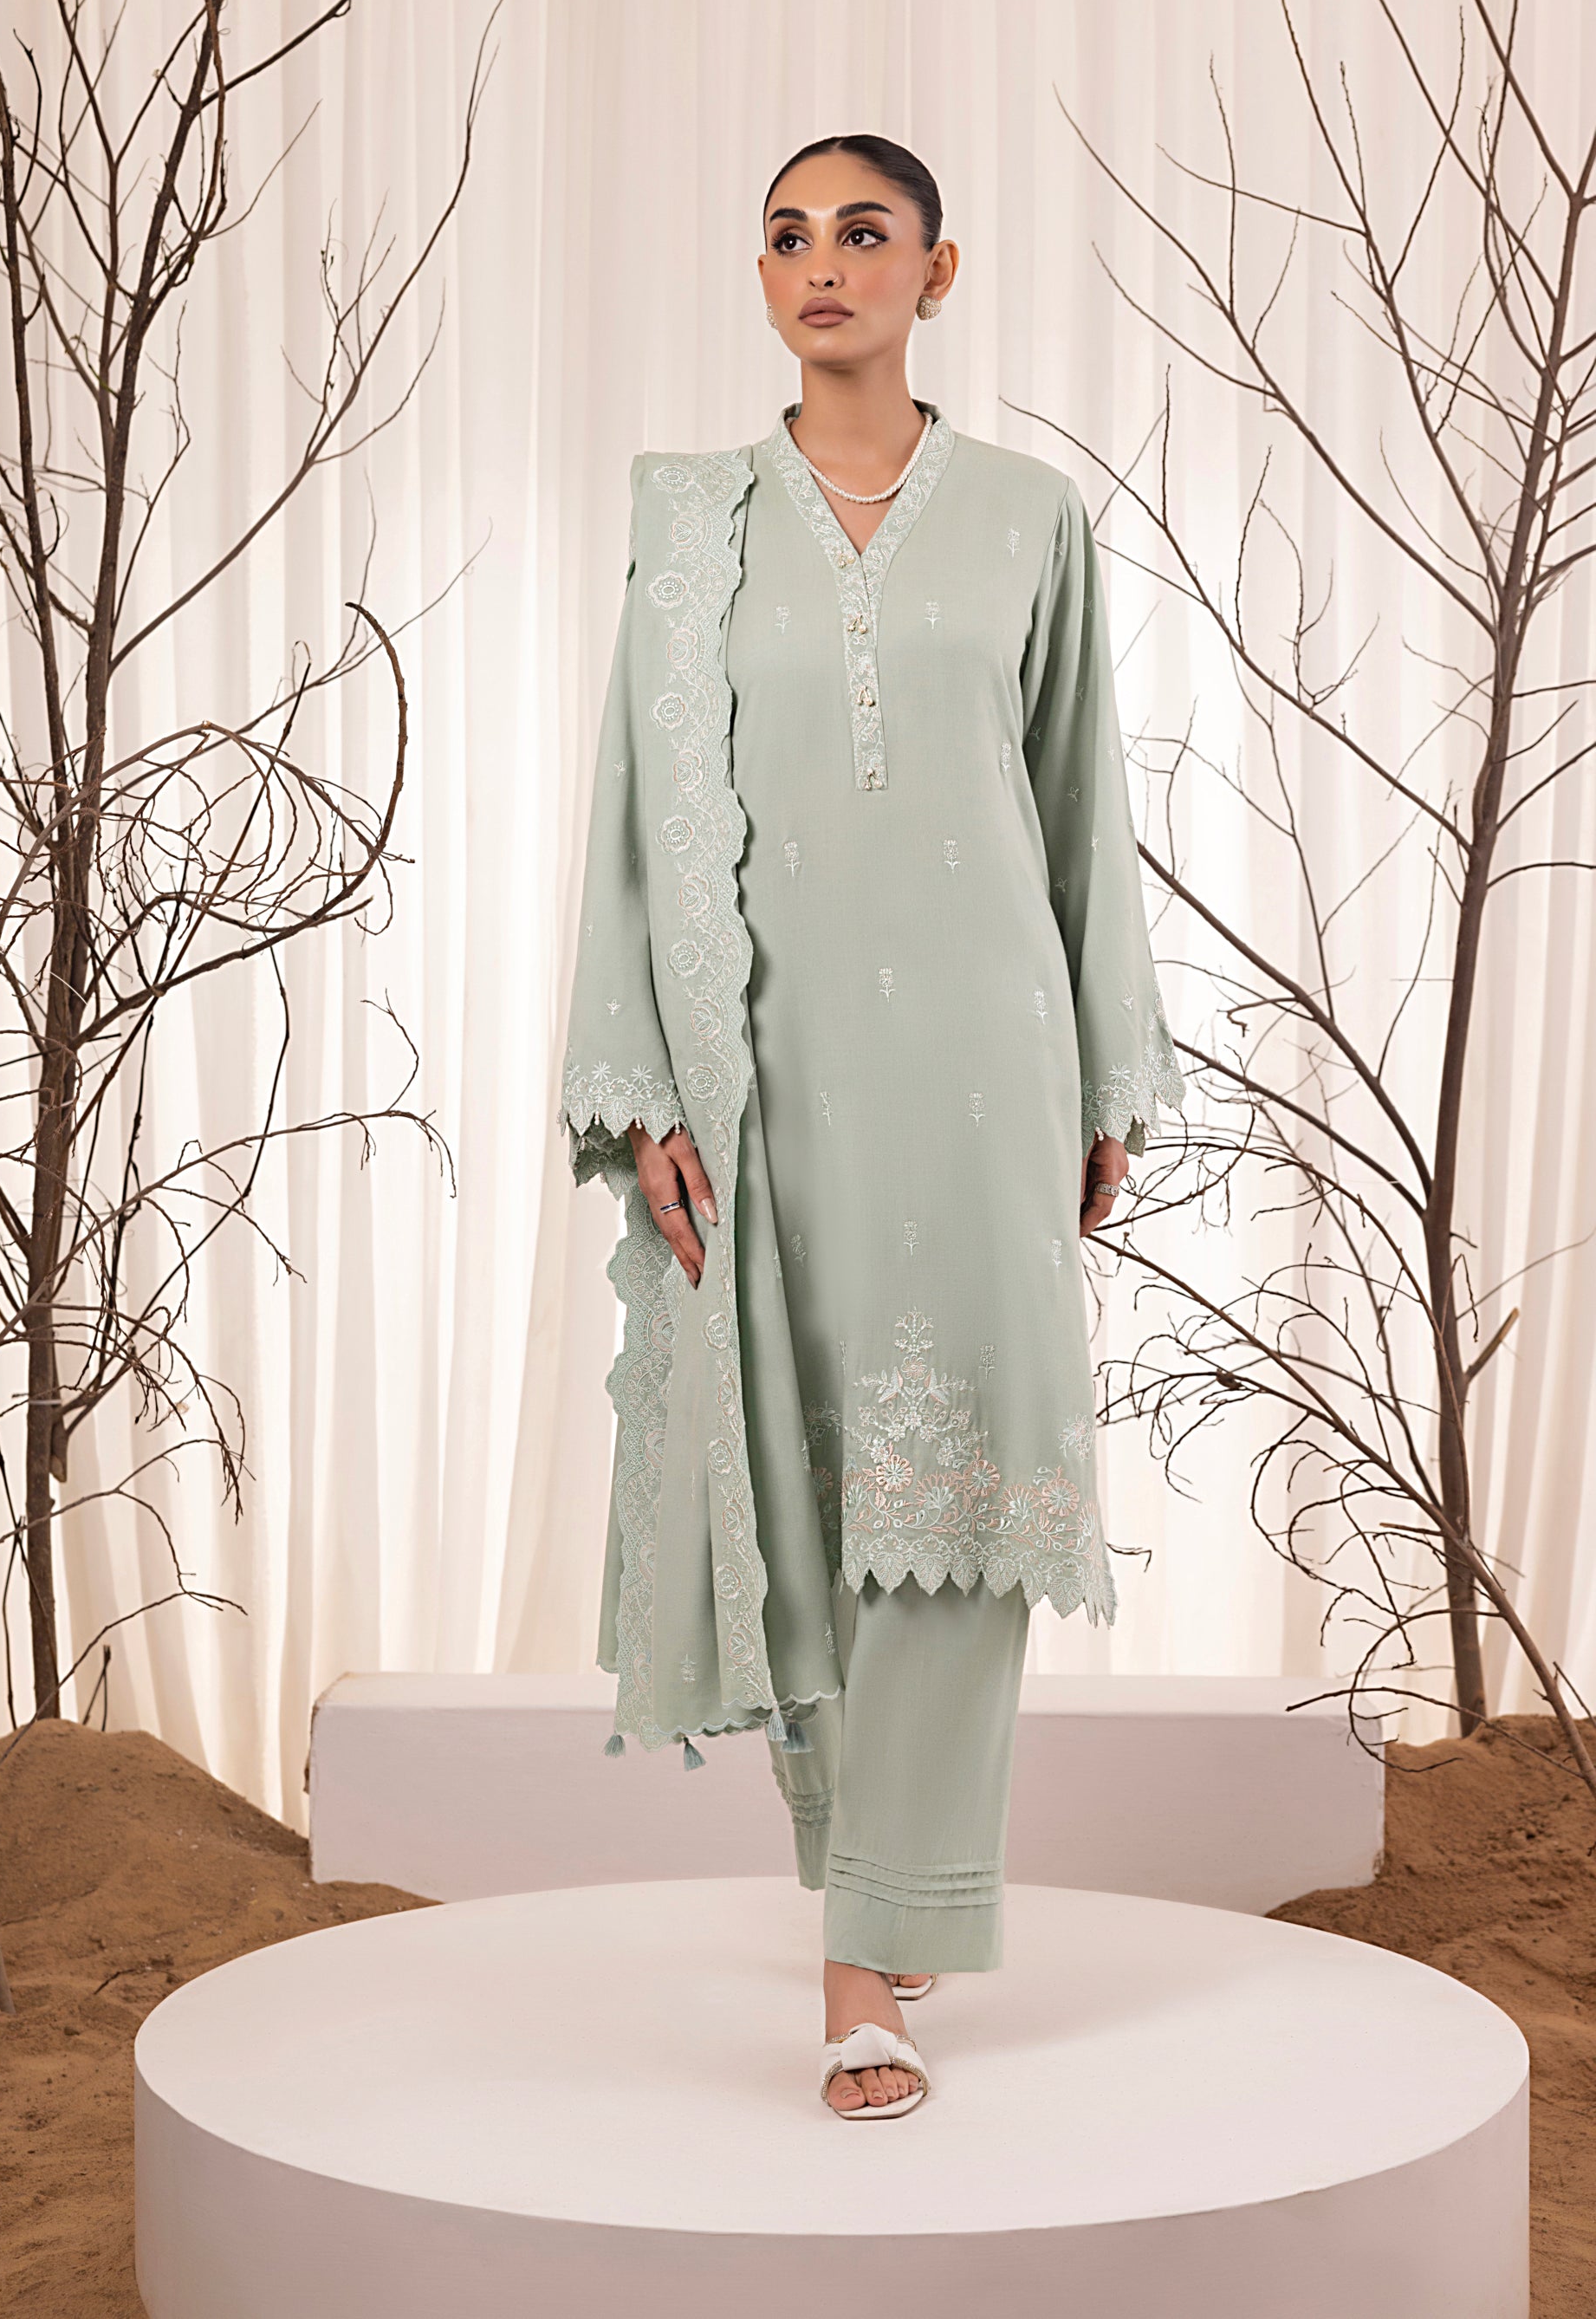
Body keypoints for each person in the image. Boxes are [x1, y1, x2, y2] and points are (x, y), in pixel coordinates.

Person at [557, 133, 1184, 2120]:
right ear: (761, 281)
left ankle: (868, 1957)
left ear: (937, 269)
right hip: (760, 1070)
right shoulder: (690, 529)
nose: (820, 264)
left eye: (861, 233)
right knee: (795, 1485)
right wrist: (639, 1090)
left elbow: (1082, 806)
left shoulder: (1027, 518)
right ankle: (876, 1876)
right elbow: (626, 827)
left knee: (954, 1488)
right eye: (785, 238)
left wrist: (1106, 1070)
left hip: (985, 1066)